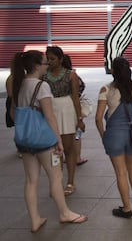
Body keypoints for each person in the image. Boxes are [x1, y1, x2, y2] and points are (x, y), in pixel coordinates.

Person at [11, 50, 87, 232]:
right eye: (44, 62)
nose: (47, 65)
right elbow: (50, 116)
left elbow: (13, 112)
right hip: (43, 140)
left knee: (31, 180)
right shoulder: (41, 86)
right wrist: (58, 140)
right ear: (37, 66)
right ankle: (64, 213)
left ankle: (35, 219)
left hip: (24, 139)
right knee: (55, 177)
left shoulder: (18, 84)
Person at [95, 57, 132, 218]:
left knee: (120, 172)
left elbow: (98, 118)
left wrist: (103, 135)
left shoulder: (105, 90)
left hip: (114, 135)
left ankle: (126, 208)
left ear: (113, 71)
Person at [43, 46, 84, 196]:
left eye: (52, 59)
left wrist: (80, 119)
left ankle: (70, 182)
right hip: (50, 110)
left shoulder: (70, 75)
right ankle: (57, 181)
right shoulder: (44, 75)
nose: (49, 62)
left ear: (60, 59)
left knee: (68, 148)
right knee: (54, 150)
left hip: (66, 110)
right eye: (48, 59)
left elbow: (75, 97)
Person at [62, 54, 88, 166]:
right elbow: (81, 88)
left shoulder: (57, 77)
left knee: (64, 132)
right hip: (74, 108)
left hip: (63, 109)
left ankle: (66, 155)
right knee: (77, 133)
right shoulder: (74, 76)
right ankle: (77, 157)